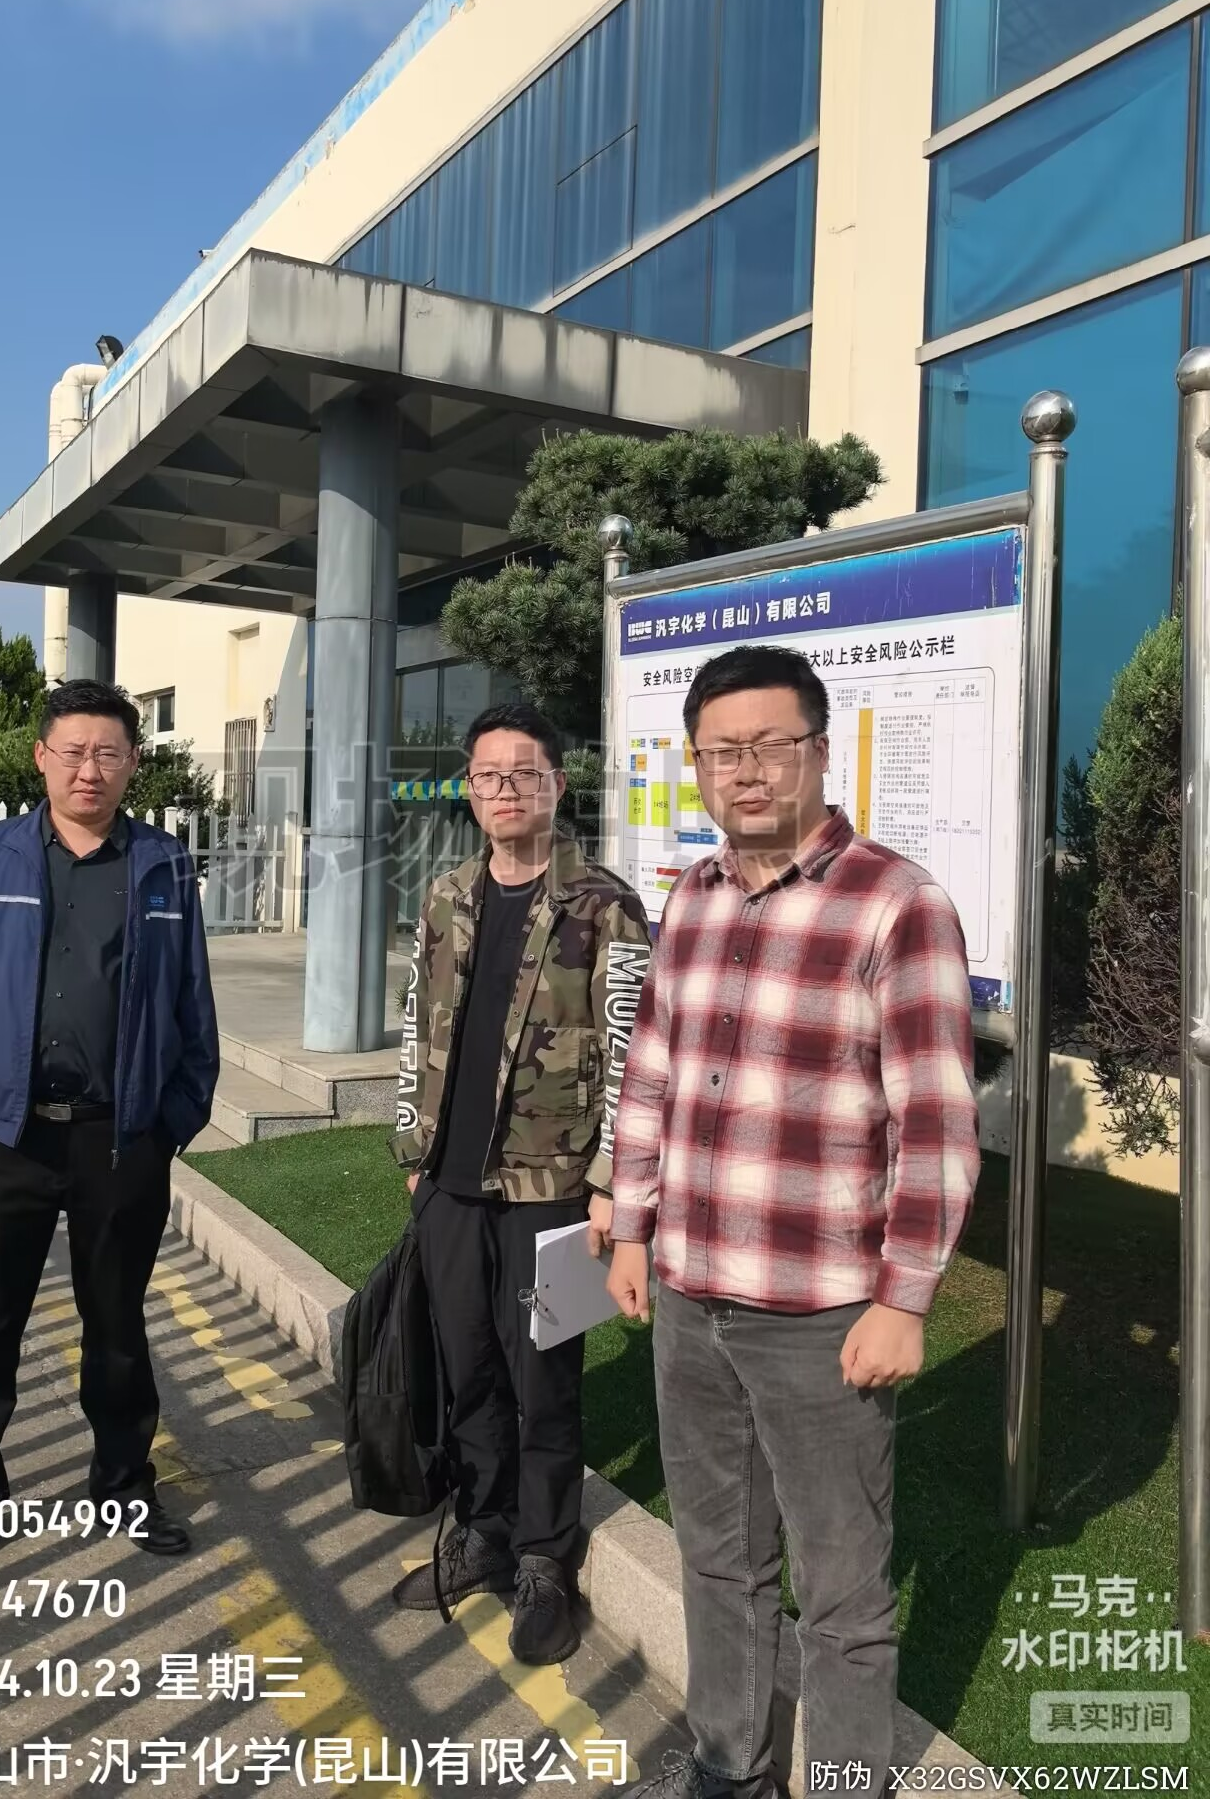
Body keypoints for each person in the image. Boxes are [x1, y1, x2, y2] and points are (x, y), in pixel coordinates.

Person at [607, 645, 980, 1799]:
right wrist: (633, 1228)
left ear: (821, 751)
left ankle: (850, 1781)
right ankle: (730, 1761)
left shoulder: (897, 903)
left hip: (820, 1315)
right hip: (690, 1295)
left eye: (772, 745)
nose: (747, 770)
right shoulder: (692, 897)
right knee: (716, 1558)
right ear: (697, 766)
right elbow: (652, 1074)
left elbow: (936, 1121)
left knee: (843, 1589)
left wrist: (904, 1298)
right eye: (722, 751)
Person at [0, 679, 220, 1587]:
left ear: (133, 763)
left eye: (109, 752)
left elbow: (192, 1000)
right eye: (74, 751)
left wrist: (173, 1119)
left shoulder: (163, 863)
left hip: (118, 1139)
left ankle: (123, 1485)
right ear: (42, 757)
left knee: (117, 1327)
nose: (91, 769)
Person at [391, 702, 651, 1665]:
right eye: (488, 775)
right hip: (449, 1187)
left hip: (554, 1188)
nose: (504, 790)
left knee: (545, 1382)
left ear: (556, 785)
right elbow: (417, 1021)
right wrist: (412, 1152)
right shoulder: (446, 895)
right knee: (469, 1371)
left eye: (523, 774)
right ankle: (485, 1533)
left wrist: (612, 1183)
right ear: (469, 789)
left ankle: (545, 1557)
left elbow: (633, 1054)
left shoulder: (605, 906)